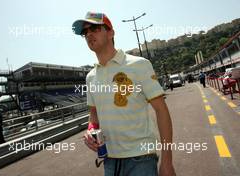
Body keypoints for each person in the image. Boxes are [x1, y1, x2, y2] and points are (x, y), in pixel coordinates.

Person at [72, 12, 176, 176]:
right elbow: (94, 116)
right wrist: (90, 131)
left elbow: (161, 111)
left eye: (94, 28)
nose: (89, 34)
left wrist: (167, 162)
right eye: (85, 32)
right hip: (109, 162)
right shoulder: (90, 77)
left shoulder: (139, 65)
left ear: (111, 32)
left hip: (141, 159)